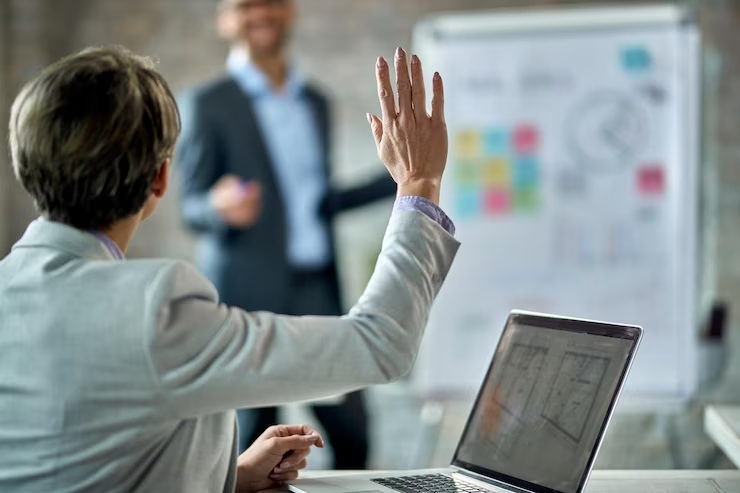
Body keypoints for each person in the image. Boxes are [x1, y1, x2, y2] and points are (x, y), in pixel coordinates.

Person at [0, 43, 456, 493]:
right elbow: (379, 345)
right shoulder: (155, 310)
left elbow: (78, 463)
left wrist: (228, 476)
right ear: (160, 178)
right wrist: (420, 181)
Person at [176, 0, 396, 467]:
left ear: (290, 12)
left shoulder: (314, 102)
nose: (262, 13)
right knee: (254, 440)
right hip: (246, 296)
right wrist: (218, 207)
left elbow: (317, 204)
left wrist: (399, 177)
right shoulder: (208, 103)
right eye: (245, 5)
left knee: (353, 431)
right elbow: (191, 206)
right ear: (225, 18)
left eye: (272, 2)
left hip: (316, 287)